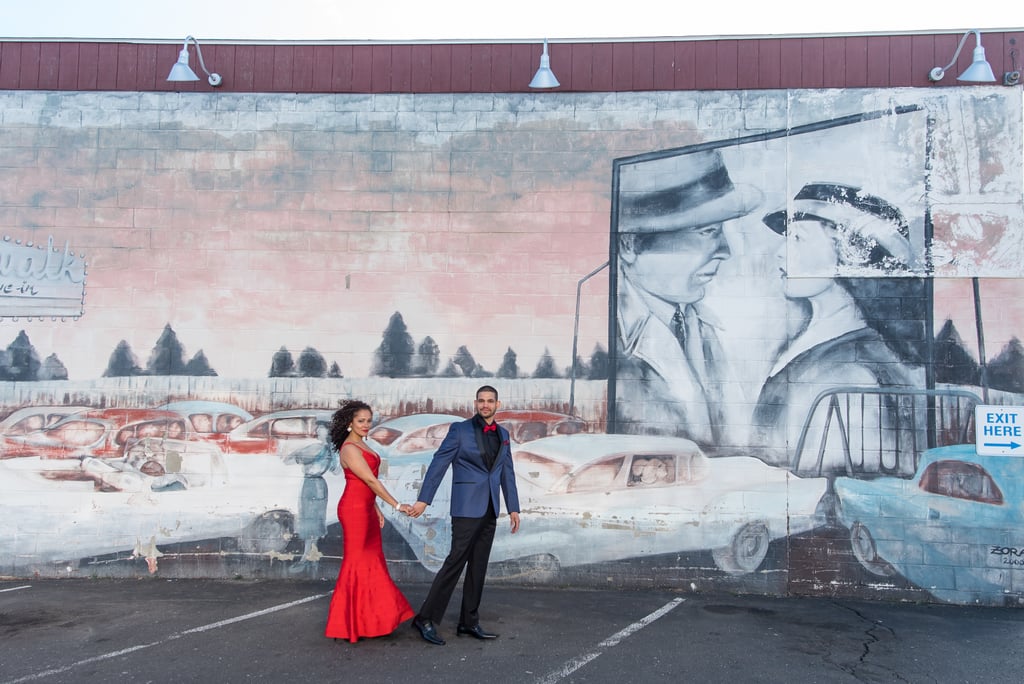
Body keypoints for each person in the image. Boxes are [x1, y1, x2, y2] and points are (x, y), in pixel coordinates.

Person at [752, 182, 923, 473]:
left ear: (848, 252)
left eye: (797, 238)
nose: (780, 252)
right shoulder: (815, 341)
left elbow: (835, 489)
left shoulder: (855, 372)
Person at [613, 148, 762, 446]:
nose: (725, 250)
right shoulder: (611, 338)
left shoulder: (701, 326)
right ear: (629, 245)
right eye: (707, 232)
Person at [408, 385, 520, 646]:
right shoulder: (459, 430)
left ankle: (468, 622)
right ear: (475, 403)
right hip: (466, 508)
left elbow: (507, 472)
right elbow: (439, 463)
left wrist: (513, 507)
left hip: (490, 508)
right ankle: (425, 618)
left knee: (478, 566)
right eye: (481, 401)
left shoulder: (503, 434)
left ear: (497, 404)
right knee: (455, 562)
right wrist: (424, 500)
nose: (485, 405)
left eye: (490, 401)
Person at [323, 400, 415, 643]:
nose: (366, 425)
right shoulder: (350, 449)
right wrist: (397, 505)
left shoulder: (362, 444)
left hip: (366, 508)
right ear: (349, 423)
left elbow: (366, 483)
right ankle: (347, 624)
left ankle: (371, 620)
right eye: (360, 421)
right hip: (353, 511)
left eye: (368, 420)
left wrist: (375, 508)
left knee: (371, 562)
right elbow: (371, 481)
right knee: (356, 563)